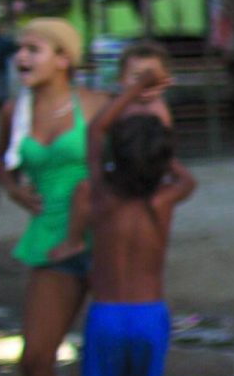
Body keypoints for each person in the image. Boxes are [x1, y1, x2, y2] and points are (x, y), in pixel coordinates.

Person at [55, 68, 196, 376]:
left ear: (115, 159)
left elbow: (96, 131)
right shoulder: (168, 198)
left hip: (107, 317)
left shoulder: (101, 197)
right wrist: (158, 142)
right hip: (150, 319)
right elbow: (181, 170)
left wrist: (132, 92)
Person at [0, 19, 111, 376]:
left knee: (110, 353)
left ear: (64, 58)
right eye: (19, 49)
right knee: (36, 357)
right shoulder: (13, 112)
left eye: (33, 49)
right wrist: (16, 192)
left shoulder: (97, 106)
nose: (21, 56)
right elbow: (2, 162)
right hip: (49, 245)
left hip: (103, 243)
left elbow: (141, 154)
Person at [48, 40, 176, 267]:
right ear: (120, 81)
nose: (144, 86)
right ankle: (74, 240)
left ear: (166, 81)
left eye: (152, 79)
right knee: (83, 190)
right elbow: (99, 129)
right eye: (137, 78)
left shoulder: (159, 110)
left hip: (150, 175)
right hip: (117, 171)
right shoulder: (119, 105)